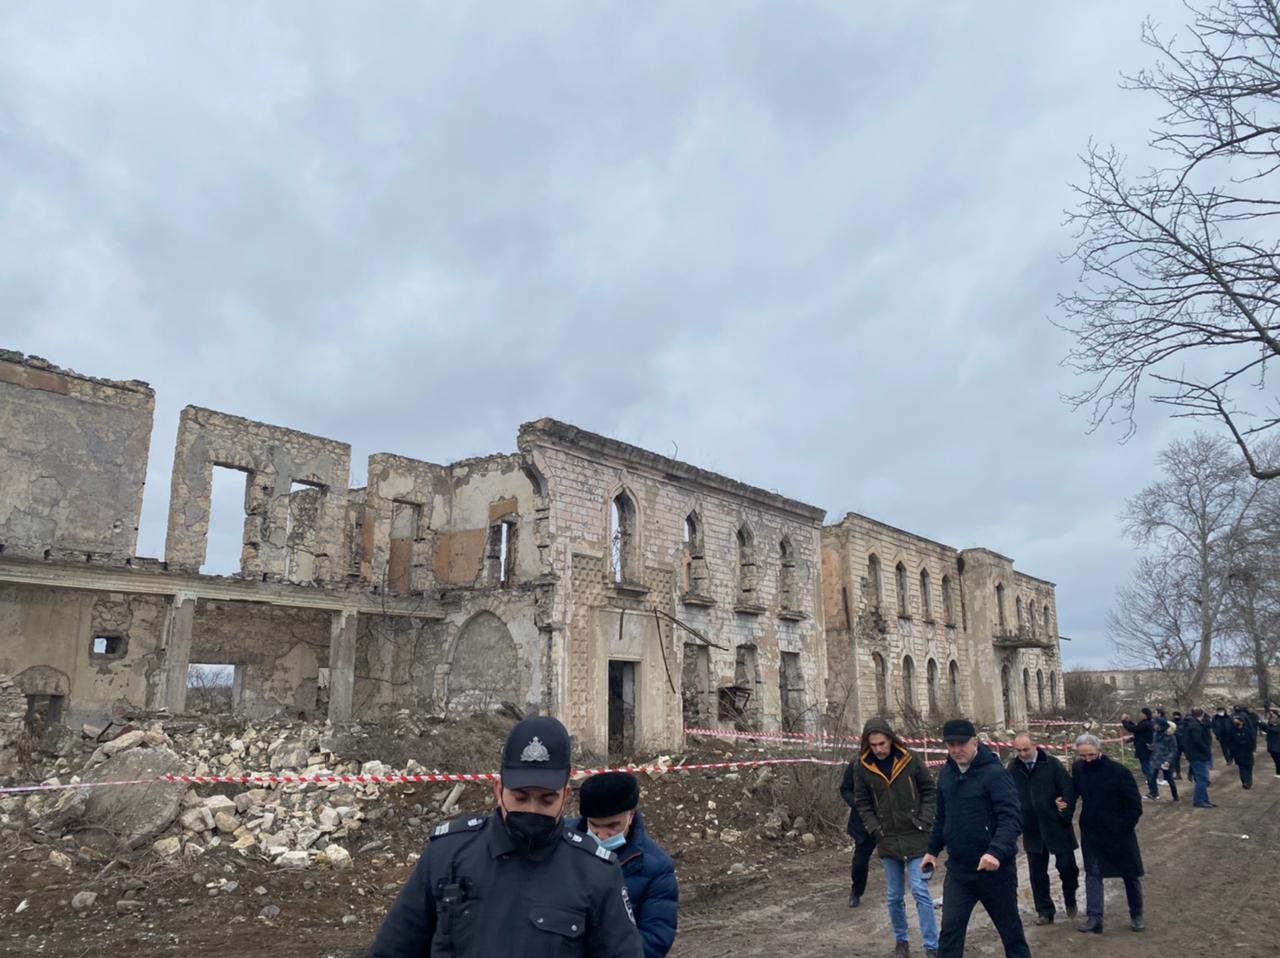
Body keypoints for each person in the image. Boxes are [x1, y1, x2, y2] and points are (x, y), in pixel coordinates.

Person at [368, 716, 643, 957]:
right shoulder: (446, 855)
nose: (532, 810)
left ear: (566, 796)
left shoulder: (596, 873)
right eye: (520, 797)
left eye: (547, 800)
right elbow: (393, 950)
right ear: (498, 790)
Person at [921, 720, 1029, 958]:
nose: (956, 749)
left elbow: (1011, 819)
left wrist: (995, 852)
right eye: (951, 744)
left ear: (975, 743)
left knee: (1011, 933)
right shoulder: (946, 774)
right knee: (950, 933)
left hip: (995, 872)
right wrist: (932, 850)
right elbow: (942, 817)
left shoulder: (995, 774)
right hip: (959, 871)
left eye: (961, 744)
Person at [852, 718, 939, 958]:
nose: (878, 749)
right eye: (873, 745)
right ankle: (902, 942)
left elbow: (929, 791)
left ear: (890, 739)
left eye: (882, 743)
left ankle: (932, 946)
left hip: (916, 835)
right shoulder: (863, 767)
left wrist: (924, 820)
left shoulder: (910, 759)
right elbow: (862, 802)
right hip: (887, 837)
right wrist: (874, 828)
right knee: (894, 896)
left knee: (920, 890)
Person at [572, 772, 678, 958]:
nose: (602, 835)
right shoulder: (562, 842)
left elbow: (655, 939)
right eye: (594, 825)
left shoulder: (656, 867)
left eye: (612, 826)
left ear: (630, 815)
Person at [1071, 733, 1145, 934]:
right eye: (1083, 756)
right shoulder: (1078, 769)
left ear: (1099, 750)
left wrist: (1123, 826)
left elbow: (1135, 805)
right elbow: (1072, 794)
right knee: (1093, 873)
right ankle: (1094, 918)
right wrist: (1061, 803)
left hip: (1119, 832)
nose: (1087, 759)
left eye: (1091, 755)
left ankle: (1137, 914)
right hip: (1092, 831)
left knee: (1130, 874)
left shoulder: (1119, 772)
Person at [1006, 733, 1079, 924]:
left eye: (1025, 749)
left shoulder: (1052, 764)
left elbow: (1068, 790)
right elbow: (1008, 795)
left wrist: (1064, 813)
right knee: (1037, 873)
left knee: (1067, 868)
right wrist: (1016, 819)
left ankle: (1070, 896)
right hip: (1031, 827)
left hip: (1056, 825)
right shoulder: (1013, 768)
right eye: (1018, 750)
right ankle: (1044, 911)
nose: (1022, 754)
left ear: (1035, 746)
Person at [839, 747, 877, 907]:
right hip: (863, 822)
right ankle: (856, 891)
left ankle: (900, 894)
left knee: (895, 858)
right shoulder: (856, 764)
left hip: (889, 820)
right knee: (860, 861)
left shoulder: (893, 763)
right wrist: (857, 803)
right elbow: (845, 789)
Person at [1182, 708, 1216, 808]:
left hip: (1194, 755)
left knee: (1202, 778)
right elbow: (1198, 741)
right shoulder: (1195, 725)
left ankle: (1204, 800)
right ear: (1201, 715)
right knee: (1202, 779)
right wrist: (1206, 749)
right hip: (1198, 755)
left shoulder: (1190, 724)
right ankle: (1199, 800)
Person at [1147, 722, 1180, 802]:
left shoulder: (1171, 737)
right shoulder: (1155, 734)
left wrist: (1168, 761)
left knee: (1169, 779)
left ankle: (1175, 795)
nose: (1154, 725)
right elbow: (1156, 745)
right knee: (1151, 777)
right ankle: (1154, 793)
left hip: (1165, 760)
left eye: (1156, 724)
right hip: (1156, 759)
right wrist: (1151, 746)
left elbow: (1173, 750)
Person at [1226, 712, 1258, 789]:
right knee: (1242, 767)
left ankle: (1249, 781)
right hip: (1238, 752)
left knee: (1248, 767)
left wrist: (1252, 748)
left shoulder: (1248, 730)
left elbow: (1252, 740)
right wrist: (1233, 751)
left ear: (1242, 722)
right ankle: (1245, 782)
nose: (1235, 723)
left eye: (1237, 721)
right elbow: (1229, 742)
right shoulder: (1232, 731)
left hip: (1247, 752)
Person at [1260, 709, 1280, 779]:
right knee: (1276, 758)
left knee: (1278, 759)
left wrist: (1263, 724)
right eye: (1270, 714)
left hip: (1277, 743)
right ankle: (1278, 772)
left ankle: (1278, 772)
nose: (1272, 716)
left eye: (1273, 714)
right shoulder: (1270, 722)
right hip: (1271, 743)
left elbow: (1273, 730)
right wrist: (1261, 725)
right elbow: (1267, 730)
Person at [1169, 710, 1185, 779]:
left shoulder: (1172, 724)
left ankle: (1178, 774)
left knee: (1176, 760)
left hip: (1177, 744)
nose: (1176, 717)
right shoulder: (1183, 723)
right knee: (1176, 760)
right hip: (1182, 743)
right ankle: (1178, 774)